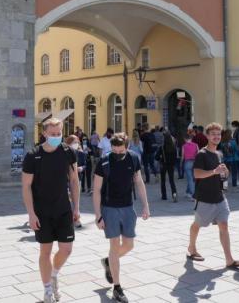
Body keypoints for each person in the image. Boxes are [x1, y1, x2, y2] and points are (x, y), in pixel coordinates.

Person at [22, 117, 81, 303]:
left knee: (67, 249)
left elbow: (74, 180)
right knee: (45, 252)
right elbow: (26, 186)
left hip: (63, 208)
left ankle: (54, 275)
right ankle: (47, 290)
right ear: (44, 133)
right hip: (42, 212)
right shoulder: (33, 155)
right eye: (53, 134)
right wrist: (31, 214)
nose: (56, 137)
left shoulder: (68, 152)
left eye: (59, 133)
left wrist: (76, 207)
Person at [93, 134, 150, 303]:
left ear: (127, 146)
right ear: (111, 147)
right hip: (109, 208)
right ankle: (117, 287)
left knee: (129, 245)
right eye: (114, 150)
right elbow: (96, 190)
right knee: (114, 245)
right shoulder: (103, 162)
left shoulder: (133, 158)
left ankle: (108, 262)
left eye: (121, 150)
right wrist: (98, 215)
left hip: (127, 207)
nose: (118, 153)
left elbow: (139, 182)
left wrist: (145, 205)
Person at [187, 123, 239, 269]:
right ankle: (191, 248)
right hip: (205, 199)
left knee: (224, 226)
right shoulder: (202, 154)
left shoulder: (219, 153)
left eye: (218, 134)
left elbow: (221, 174)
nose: (216, 137)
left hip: (220, 197)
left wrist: (225, 173)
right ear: (207, 136)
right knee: (197, 224)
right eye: (213, 134)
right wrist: (214, 171)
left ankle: (229, 260)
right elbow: (197, 174)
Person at [159, 130, 178, 202]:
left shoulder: (162, 147)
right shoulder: (174, 147)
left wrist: (161, 157)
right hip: (171, 165)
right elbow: (175, 157)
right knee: (171, 180)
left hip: (163, 164)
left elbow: (156, 157)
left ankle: (164, 196)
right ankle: (174, 194)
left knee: (163, 180)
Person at [182, 134, 200, 199]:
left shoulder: (184, 146)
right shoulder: (196, 145)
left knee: (190, 179)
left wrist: (181, 163)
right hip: (195, 162)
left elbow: (182, 156)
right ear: (191, 138)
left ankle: (193, 195)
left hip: (187, 163)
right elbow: (198, 154)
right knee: (192, 179)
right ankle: (188, 192)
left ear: (185, 139)